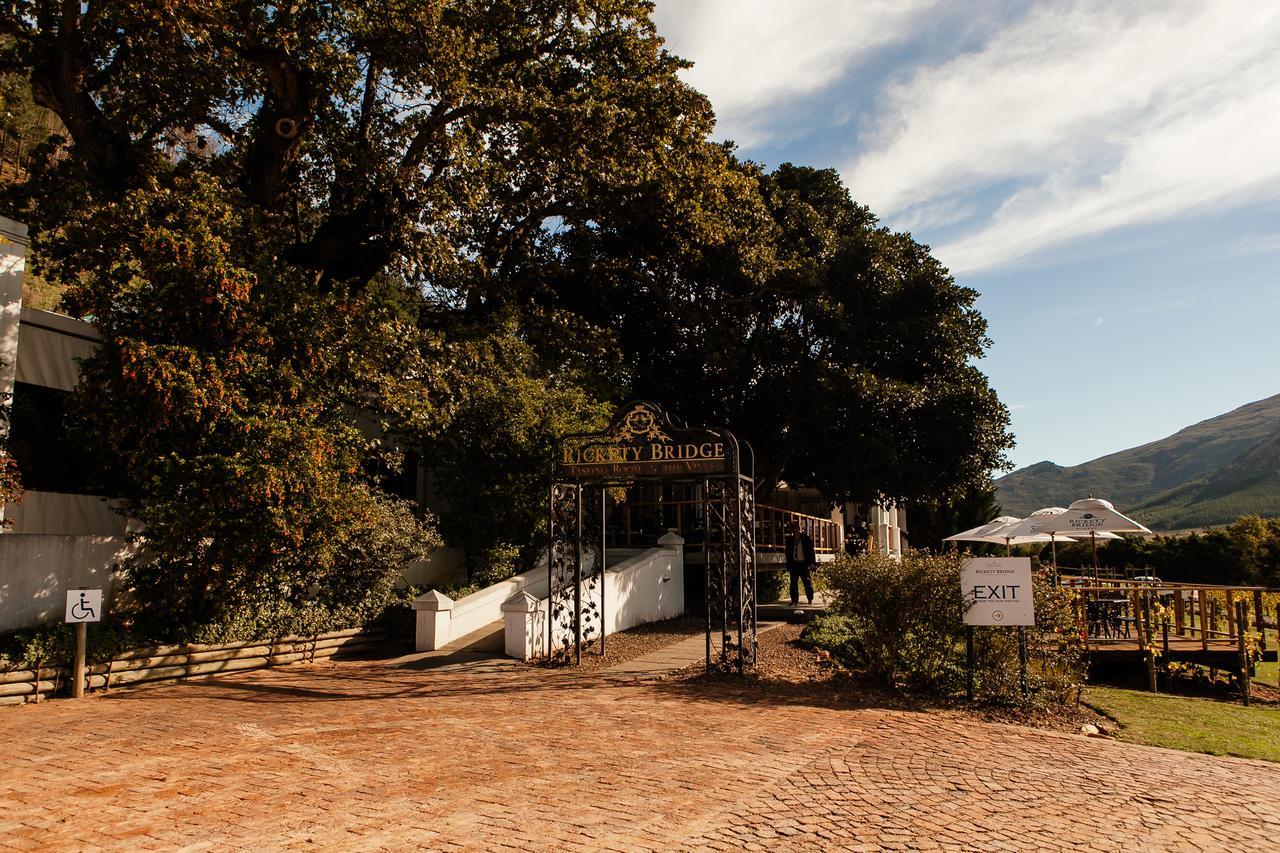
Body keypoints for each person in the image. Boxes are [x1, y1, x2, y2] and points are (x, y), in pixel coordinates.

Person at [784, 518, 816, 607]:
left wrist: (812, 562)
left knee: (807, 582)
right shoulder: (790, 540)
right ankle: (794, 600)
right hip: (794, 564)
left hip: (803, 563)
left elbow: (811, 551)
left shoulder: (806, 539)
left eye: (797, 528)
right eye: (794, 528)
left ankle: (810, 599)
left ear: (800, 529)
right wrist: (788, 564)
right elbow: (788, 553)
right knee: (793, 583)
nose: (795, 530)